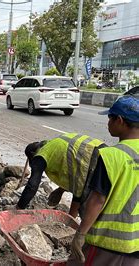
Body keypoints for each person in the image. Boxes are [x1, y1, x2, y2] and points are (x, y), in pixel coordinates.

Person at [69, 96, 139, 265]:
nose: (108, 123)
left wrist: (80, 234)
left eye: (110, 118)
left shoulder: (112, 156)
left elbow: (97, 200)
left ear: (120, 120)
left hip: (107, 242)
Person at [17, 133, 106, 218]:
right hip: (104, 152)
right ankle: (71, 223)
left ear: (33, 155)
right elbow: (77, 181)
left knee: (88, 208)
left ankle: (83, 231)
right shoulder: (54, 145)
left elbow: (32, 186)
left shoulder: (41, 155)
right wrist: (61, 190)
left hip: (96, 159)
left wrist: (19, 208)